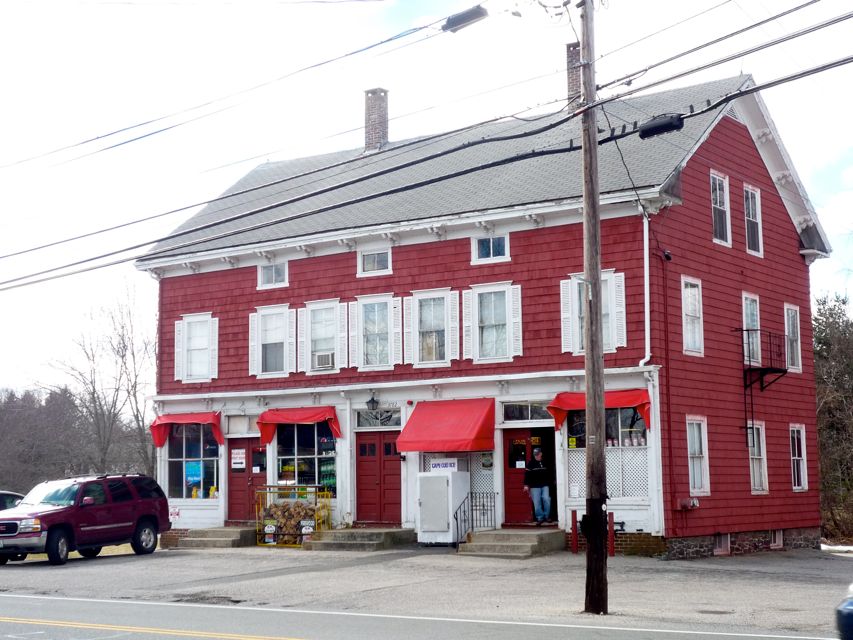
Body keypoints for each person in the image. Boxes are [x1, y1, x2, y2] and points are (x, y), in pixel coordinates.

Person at [523, 447, 552, 525]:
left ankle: (547, 516)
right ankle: (540, 518)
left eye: (538, 454)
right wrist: (526, 485)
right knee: (537, 502)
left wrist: (552, 481)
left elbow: (550, 473)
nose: (536, 456)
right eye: (535, 455)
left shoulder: (545, 462)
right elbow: (527, 475)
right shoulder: (530, 463)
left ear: (541, 454)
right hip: (534, 486)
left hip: (545, 485)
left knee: (546, 499)